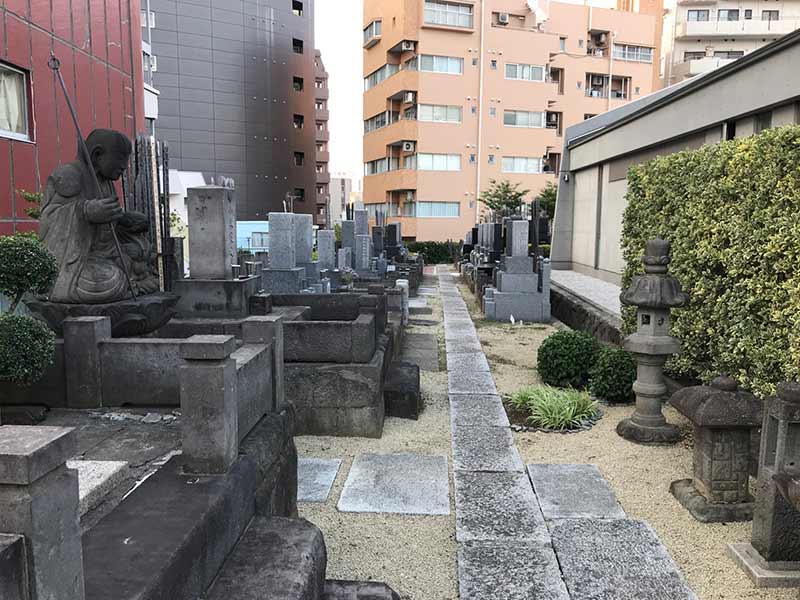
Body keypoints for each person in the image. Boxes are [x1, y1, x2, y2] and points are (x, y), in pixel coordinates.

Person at [39, 129, 153, 303]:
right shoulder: (69, 175)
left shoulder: (105, 181)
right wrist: (85, 211)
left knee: (138, 255)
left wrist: (123, 218)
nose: (124, 166)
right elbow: (49, 221)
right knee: (108, 279)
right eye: (120, 159)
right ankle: (128, 285)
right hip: (78, 262)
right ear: (97, 154)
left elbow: (108, 225)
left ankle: (131, 283)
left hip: (106, 253)